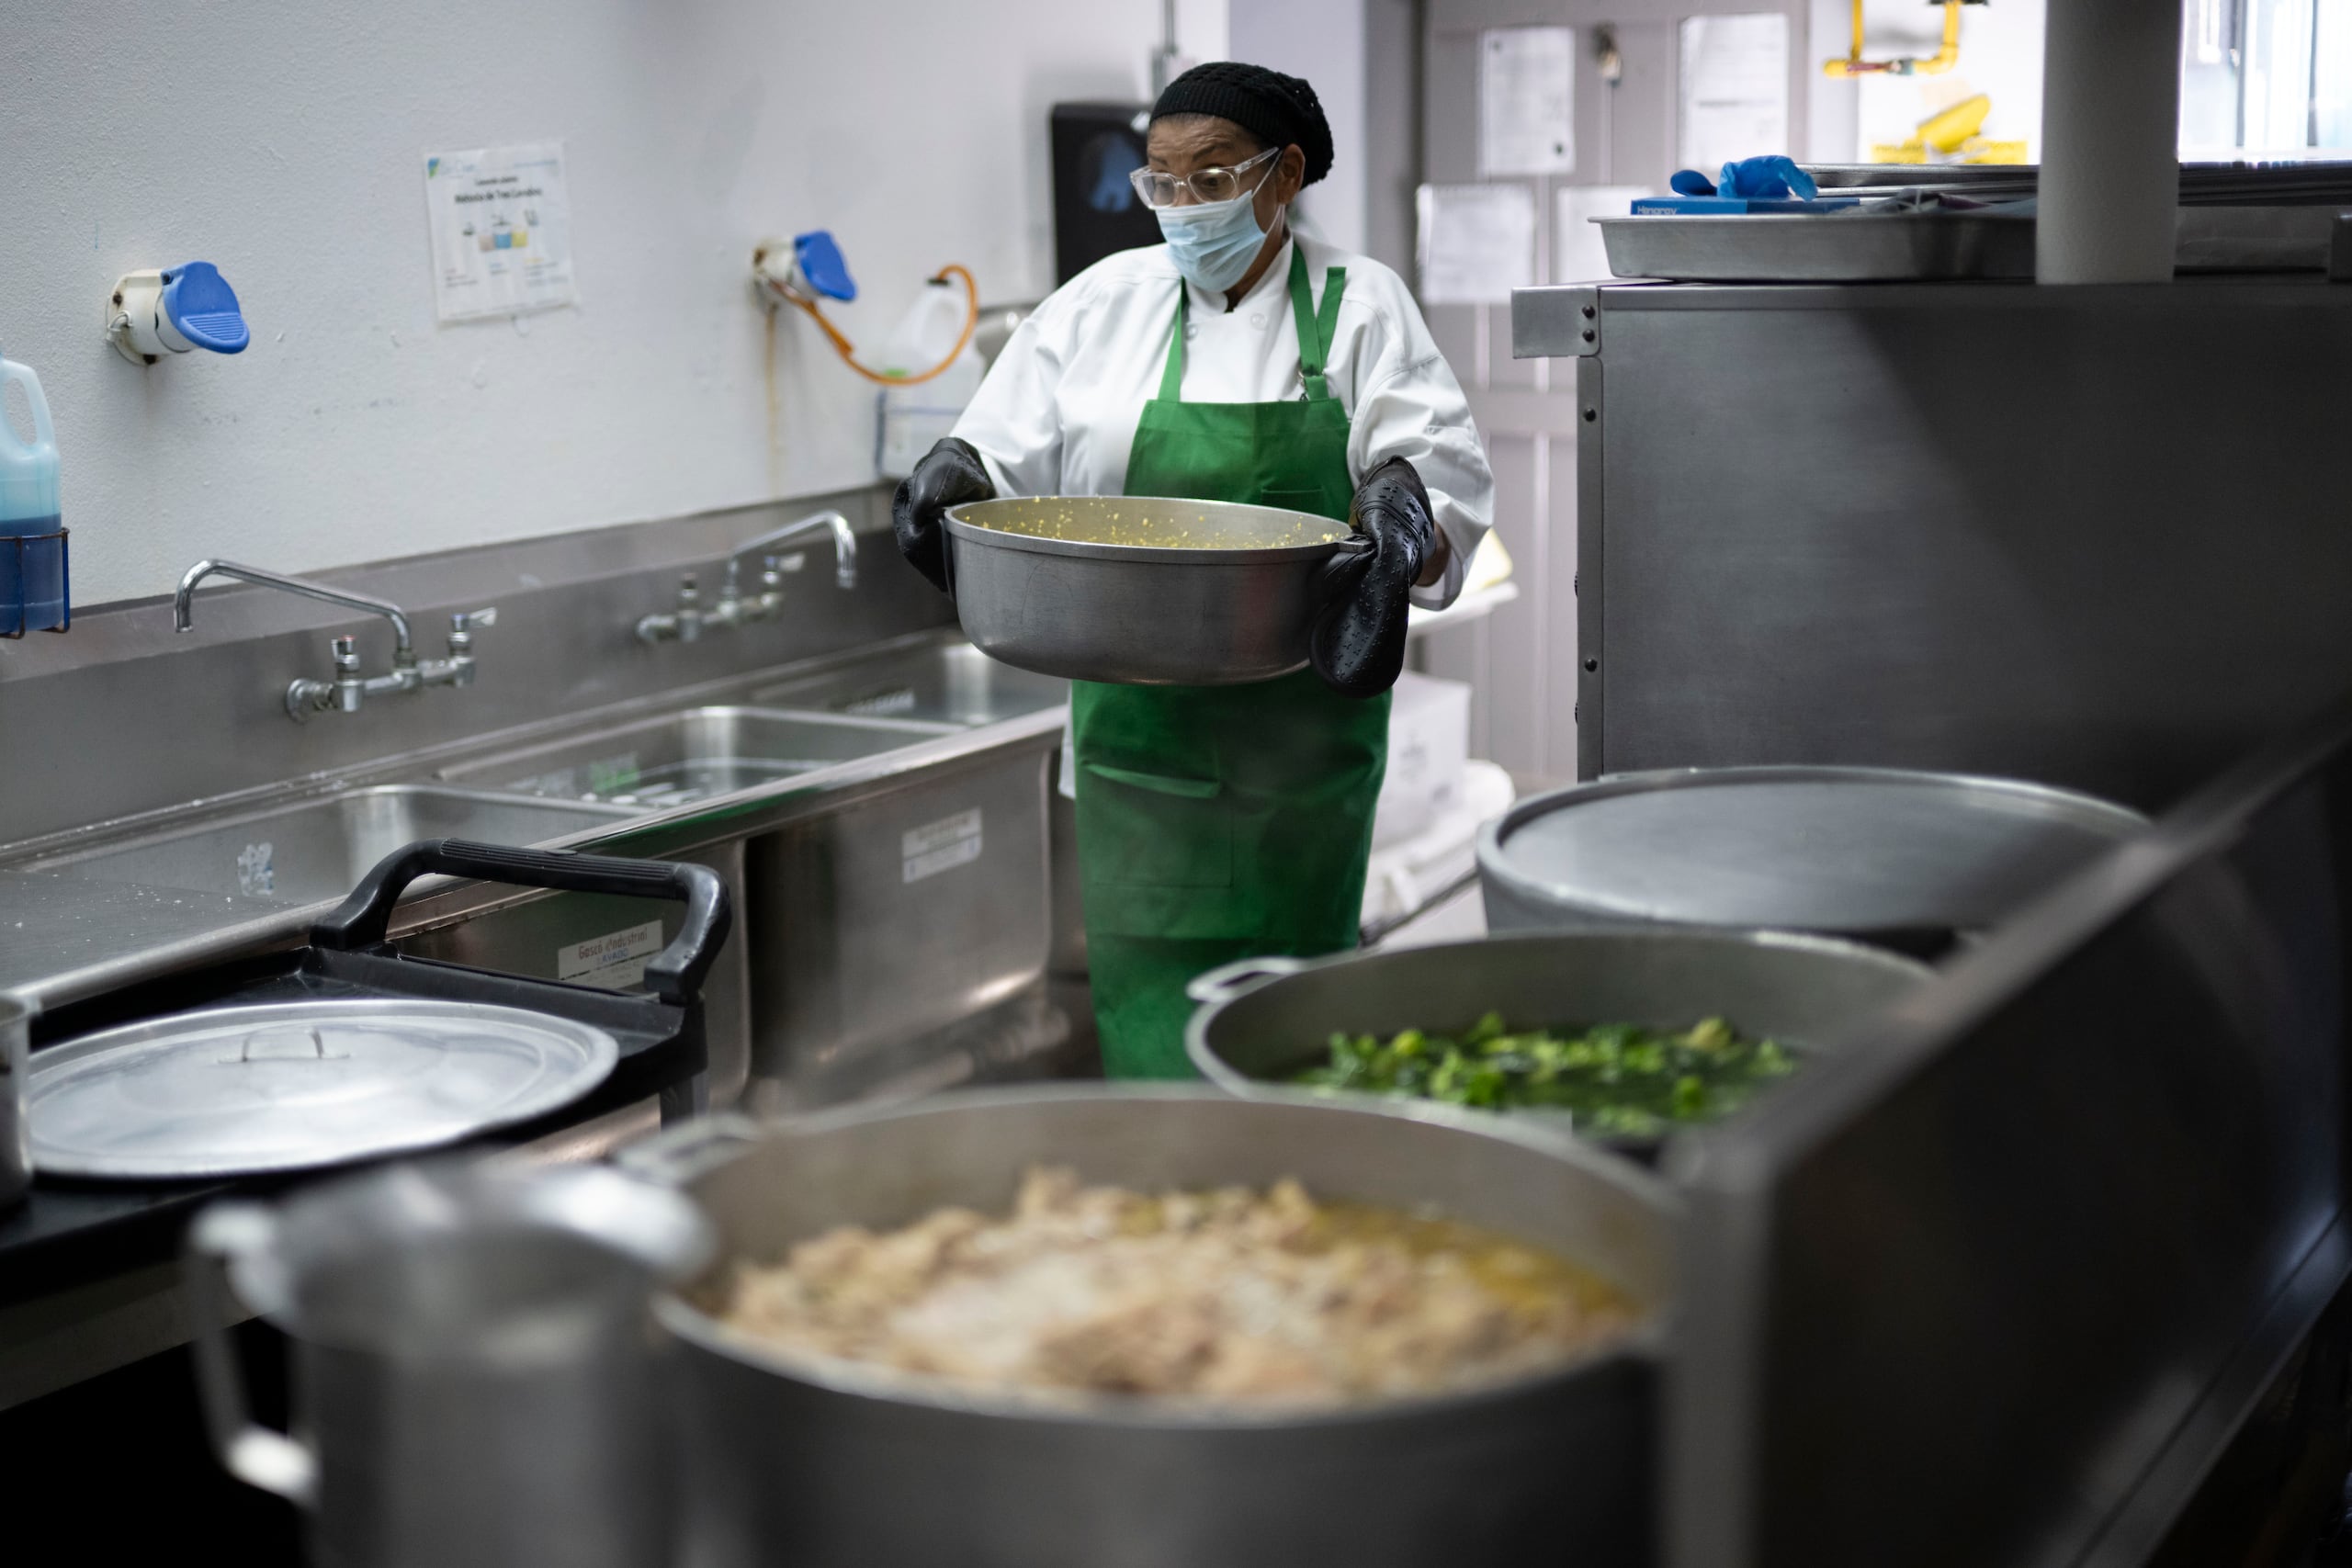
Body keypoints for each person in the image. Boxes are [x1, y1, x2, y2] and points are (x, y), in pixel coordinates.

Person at [893, 61, 1494, 1077]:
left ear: (1283, 173)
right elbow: (1002, 454)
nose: (1182, 207)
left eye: (1210, 179)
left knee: (1284, 1023)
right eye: (1161, 184)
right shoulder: (1099, 306)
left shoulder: (1358, 305)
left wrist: (1404, 510)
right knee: (1149, 1016)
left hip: (1298, 743)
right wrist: (957, 470)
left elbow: (1437, 475)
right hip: (1141, 744)